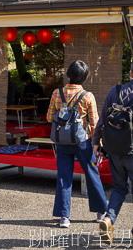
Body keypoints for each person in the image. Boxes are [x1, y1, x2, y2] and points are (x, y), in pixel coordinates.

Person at [46, 60, 107, 228]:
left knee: (64, 177)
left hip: (63, 142)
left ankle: (64, 217)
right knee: (92, 175)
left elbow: (50, 117)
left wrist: (63, 115)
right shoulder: (87, 96)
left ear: (68, 75)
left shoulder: (57, 93)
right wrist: (98, 145)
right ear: (85, 77)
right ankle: (101, 212)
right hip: (83, 142)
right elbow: (95, 123)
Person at [92, 62, 133, 246]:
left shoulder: (114, 91)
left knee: (119, 188)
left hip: (115, 150)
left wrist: (95, 143)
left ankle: (108, 220)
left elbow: (101, 121)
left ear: (130, 73)